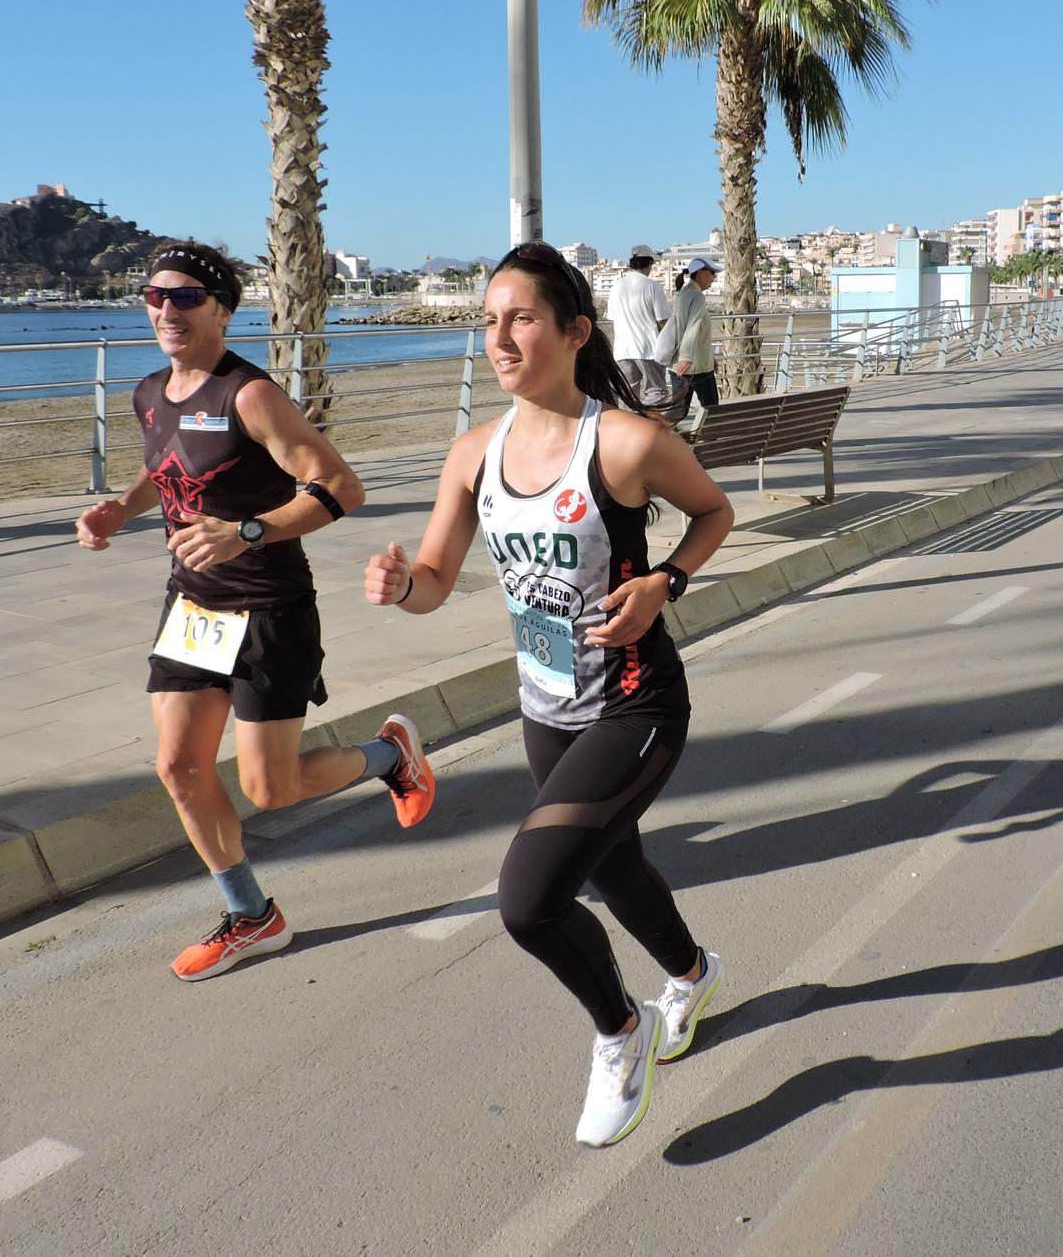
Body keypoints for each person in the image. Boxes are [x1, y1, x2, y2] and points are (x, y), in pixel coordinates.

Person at [365, 241, 735, 1148]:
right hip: (545, 709)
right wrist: (399, 582)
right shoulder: (471, 456)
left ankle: (622, 1030)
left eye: (520, 318)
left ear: (574, 332)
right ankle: (689, 973)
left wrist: (667, 585)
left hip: (636, 706)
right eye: (488, 322)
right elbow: (438, 579)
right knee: (612, 867)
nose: (499, 338)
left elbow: (715, 512)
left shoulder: (627, 441)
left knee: (529, 899)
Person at [75, 242, 435, 981]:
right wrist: (120, 510)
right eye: (154, 297)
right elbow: (164, 463)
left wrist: (249, 532)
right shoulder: (149, 392)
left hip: (271, 609)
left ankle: (390, 757)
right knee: (178, 766)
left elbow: (341, 485)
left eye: (184, 299)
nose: (165, 310)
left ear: (222, 311)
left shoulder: (250, 395)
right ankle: (251, 915)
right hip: (195, 607)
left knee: (270, 790)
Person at [606, 247, 672, 408]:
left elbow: (612, 321)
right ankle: (651, 424)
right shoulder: (652, 286)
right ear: (649, 264)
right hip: (648, 349)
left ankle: (629, 428)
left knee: (626, 395)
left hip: (622, 350)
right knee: (656, 391)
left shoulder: (616, 287)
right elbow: (663, 321)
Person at [662, 255, 720, 417]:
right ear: (701, 273)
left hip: (680, 366)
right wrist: (686, 357)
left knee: (677, 411)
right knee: (712, 410)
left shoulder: (683, 293)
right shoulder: (697, 296)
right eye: (713, 273)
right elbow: (693, 327)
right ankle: (711, 441)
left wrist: (710, 357)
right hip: (697, 366)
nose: (714, 278)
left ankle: (661, 439)